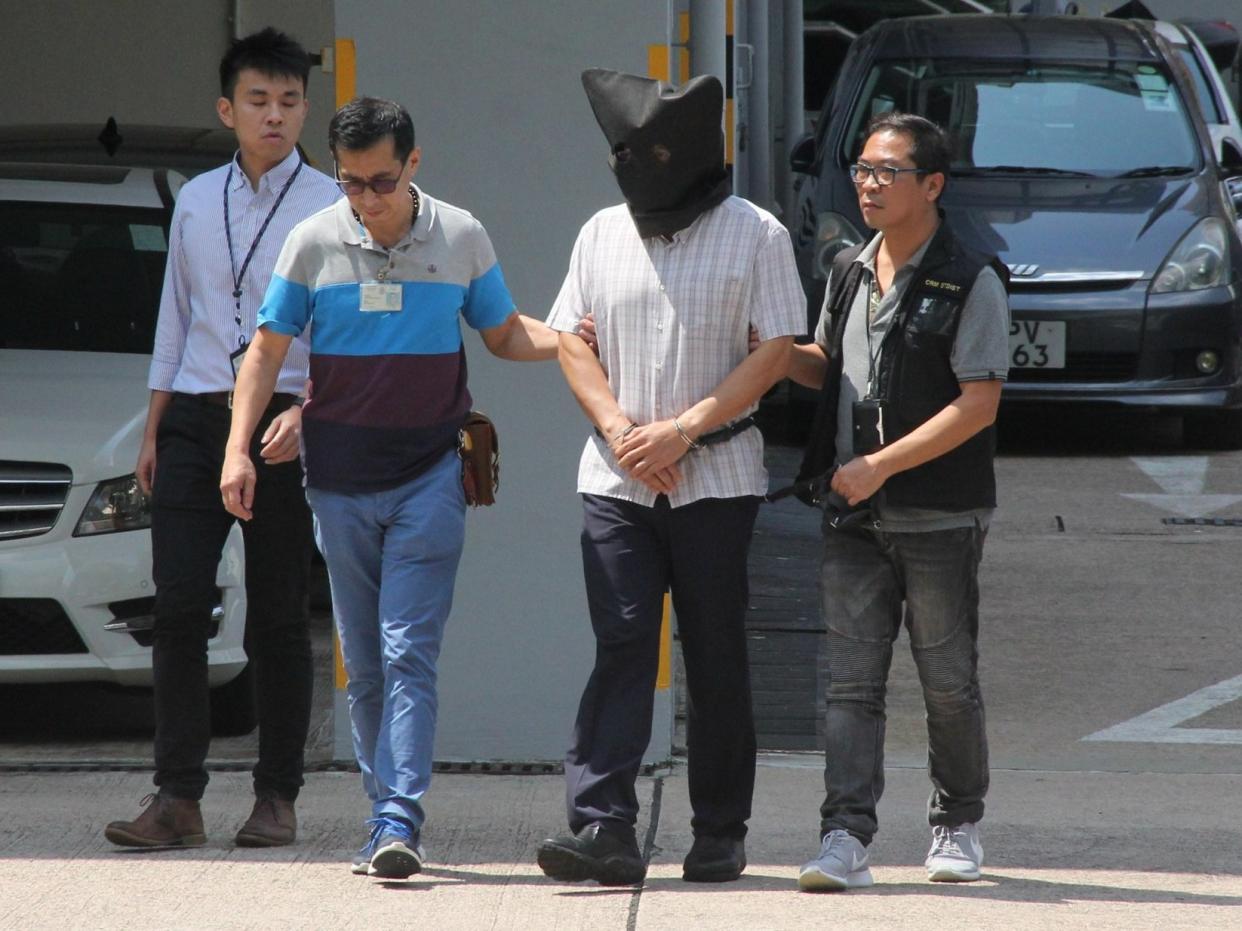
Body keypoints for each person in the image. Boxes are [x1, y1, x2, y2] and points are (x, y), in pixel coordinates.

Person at [219, 96, 558, 879]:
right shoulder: (311, 241)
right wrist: (238, 449)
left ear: (413, 163)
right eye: (350, 183)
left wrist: (571, 341)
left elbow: (504, 332)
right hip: (336, 482)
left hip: (428, 477)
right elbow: (265, 354)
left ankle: (398, 818)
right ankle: (383, 812)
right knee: (363, 660)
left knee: (408, 650)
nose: (367, 200)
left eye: (380, 180)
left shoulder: (461, 236)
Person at [537, 69, 803, 887]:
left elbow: (778, 348)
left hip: (716, 479)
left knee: (716, 650)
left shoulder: (757, 233)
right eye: (624, 152)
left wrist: (684, 428)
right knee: (621, 644)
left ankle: (720, 831)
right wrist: (621, 429)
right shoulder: (599, 233)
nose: (635, 167)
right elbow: (569, 339)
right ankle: (604, 825)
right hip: (616, 481)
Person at [105, 27, 340, 851]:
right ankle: (177, 795)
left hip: (283, 414)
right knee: (175, 608)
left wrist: (309, 411)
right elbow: (178, 311)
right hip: (200, 414)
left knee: (278, 614)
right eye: (257, 101)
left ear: (305, 107)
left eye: (288, 101)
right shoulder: (199, 198)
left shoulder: (329, 203)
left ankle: (277, 794)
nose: (274, 116)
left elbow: (341, 329)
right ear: (227, 108)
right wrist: (154, 421)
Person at [786, 111, 1009, 891]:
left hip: (939, 514)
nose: (870, 184)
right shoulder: (848, 267)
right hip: (851, 512)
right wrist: (772, 354)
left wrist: (880, 464)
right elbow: (822, 362)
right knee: (851, 683)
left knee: (947, 679)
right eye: (864, 171)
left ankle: (957, 821)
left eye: (888, 172)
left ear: (933, 184)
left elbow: (977, 402)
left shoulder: (970, 276)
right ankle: (845, 834)